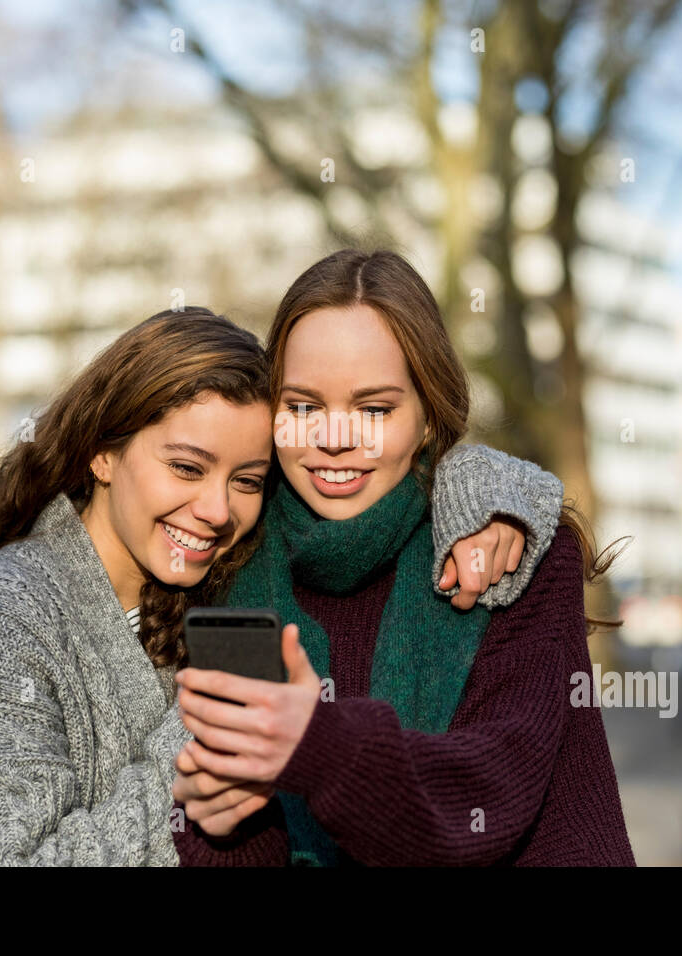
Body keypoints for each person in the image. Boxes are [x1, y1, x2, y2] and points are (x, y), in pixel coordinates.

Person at [0, 306, 562, 865]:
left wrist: (492, 494)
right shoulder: (1, 616)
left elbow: (361, 472)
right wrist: (197, 760)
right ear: (103, 452)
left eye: (247, 481)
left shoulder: (199, 590)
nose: (216, 510)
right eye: (185, 467)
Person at [170, 250, 636, 866]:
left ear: (426, 419)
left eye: (375, 409)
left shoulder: (513, 556)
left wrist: (315, 744)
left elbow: (488, 793)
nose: (335, 439)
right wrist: (218, 823)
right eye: (304, 406)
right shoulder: (224, 551)